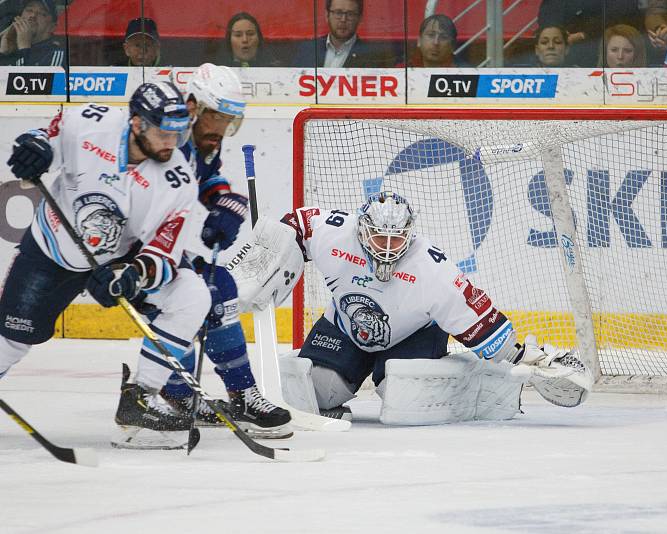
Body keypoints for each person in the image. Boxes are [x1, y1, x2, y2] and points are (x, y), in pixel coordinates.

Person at [229, 192, 592, 424]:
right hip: (345, 325)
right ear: (361, 228)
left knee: (405, 402)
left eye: (396, 238)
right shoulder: (334, 231)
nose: (387, 247)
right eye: (379, 236)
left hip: (412, 335)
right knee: (312, 393)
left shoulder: (431, 268)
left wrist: (528, 359)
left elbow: (481, 325)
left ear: (410, 234)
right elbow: (296, 224)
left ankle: (473, 379)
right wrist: (264, 258)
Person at [0, 81, 212, 447]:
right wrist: (35, 147)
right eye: (163, 132)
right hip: (54, 248)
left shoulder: (178, 180)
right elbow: (46, 136)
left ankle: (139, 400)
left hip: (120, 257)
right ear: (136, 123)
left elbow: (164, 252)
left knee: (191, 294)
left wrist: (131, 276)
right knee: (12, 340)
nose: (171, 143)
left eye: (179, 134)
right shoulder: (88, 122)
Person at [151, 63, 291, 438]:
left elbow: (206, 174)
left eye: (230, 121)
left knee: (221, 287)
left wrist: (224, 200)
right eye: (217, 117)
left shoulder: (204, 136)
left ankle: (239, 394)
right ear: (193, 105)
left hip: (158, 244)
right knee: (188, 301)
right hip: (126, 248)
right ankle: (174, 392)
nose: (222, 130)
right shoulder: (163, 136)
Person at [292, 0, 395, 68]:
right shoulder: (307, 49)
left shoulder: (373, 56)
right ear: (327, 15)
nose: (343, 19)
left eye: (350, 14)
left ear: (360, 18)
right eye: (338, 12)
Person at [0, 0, 64, 66]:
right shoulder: (12, 50)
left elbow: (29, 76)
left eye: (42, 13)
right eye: (29, 10)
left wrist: (24, 47)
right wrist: (3, 53)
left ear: (52, 27)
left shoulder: (56, 54)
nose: (33, 15)